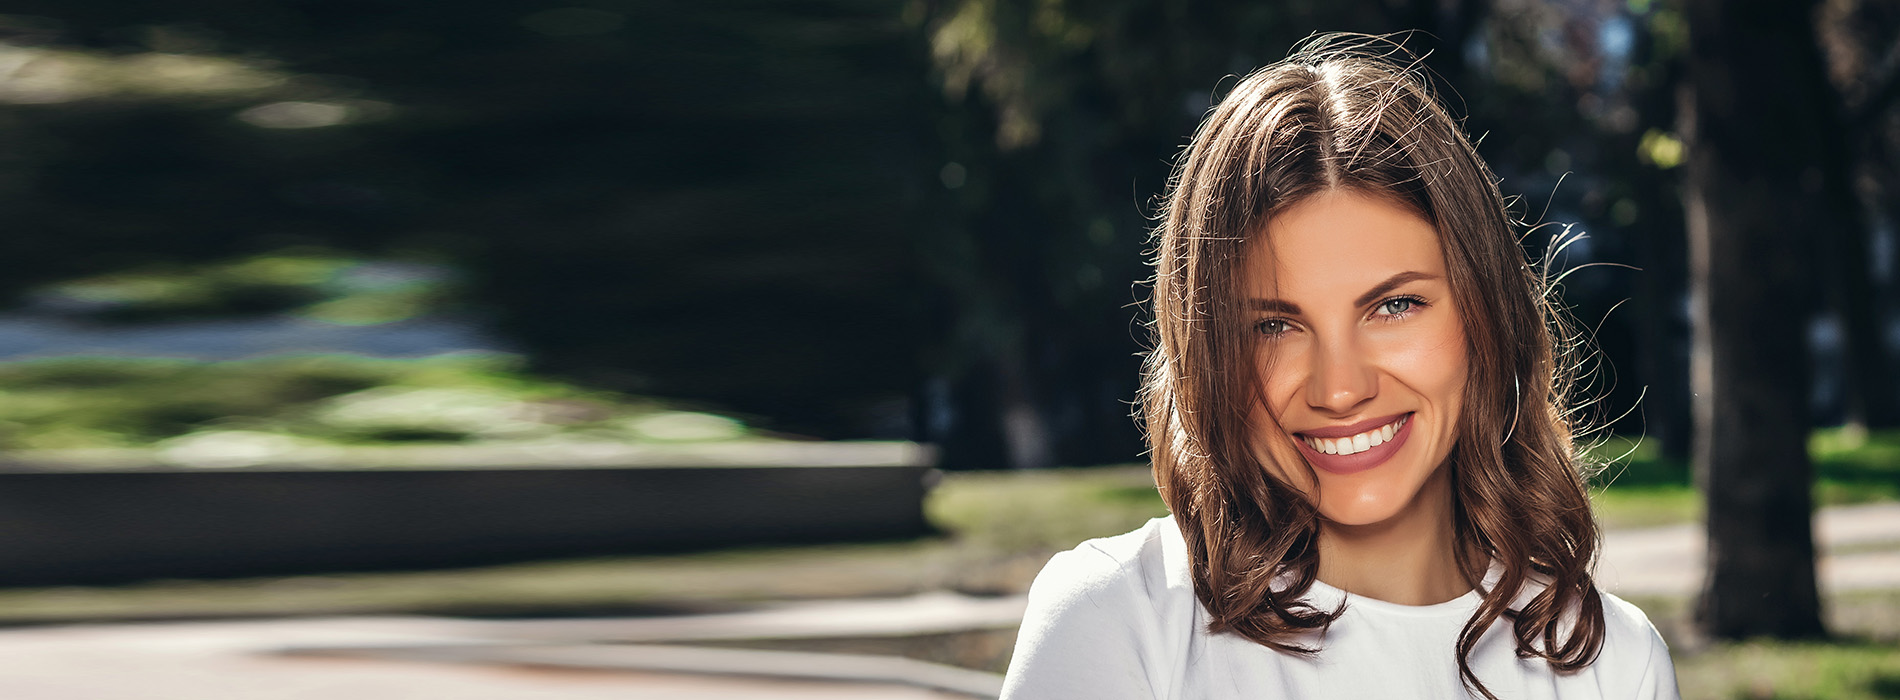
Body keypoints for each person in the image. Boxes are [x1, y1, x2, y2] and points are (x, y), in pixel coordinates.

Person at [998, 36, 1681, 700]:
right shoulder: (1121, 620)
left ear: (1486, 315)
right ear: (1210, 354)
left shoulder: (1611, 664)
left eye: (1394, 306)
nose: (1341, 387)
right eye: (1274, 326)